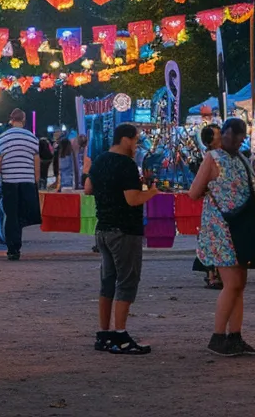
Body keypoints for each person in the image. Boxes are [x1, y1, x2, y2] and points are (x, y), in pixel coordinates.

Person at [187, 118, 255, 357]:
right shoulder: (219, 158)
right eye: (234, 137)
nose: (236, 142)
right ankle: (219, 336)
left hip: (235, 226)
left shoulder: (238, 158)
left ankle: (234, 336)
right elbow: (194, 193)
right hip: (223, 228)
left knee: (239, 284)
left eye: (239, 138)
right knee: (233, 283)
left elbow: (196, 192)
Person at [86, 123, 159, 355]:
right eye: (135, 140)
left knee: (108, 282)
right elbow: (132, 199)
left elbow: (88, 188)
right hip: (125, 230)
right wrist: (152, 193)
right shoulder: (126, 164)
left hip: (103, 229)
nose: (136, 145)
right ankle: (121, 335)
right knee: (126, 282)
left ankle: (104, 333)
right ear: (125, 139)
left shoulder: (99, 160)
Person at [0, 108, 41, 261]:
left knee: (11, 215)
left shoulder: (3, 138)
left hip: (9, 182)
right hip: (27, 181)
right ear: (24, 119)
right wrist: (36, 181)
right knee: (23, 214)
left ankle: (13, 248)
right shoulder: (32, 138)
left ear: (10, 120)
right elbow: (36, 162)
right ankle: (17, 240)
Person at [191, 124, 224, 289]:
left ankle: (216, 273)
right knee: (214, 239)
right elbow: (195, 189)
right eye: (218, 134)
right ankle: (213, 274)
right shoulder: (211, 157)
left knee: (215, 239)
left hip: (217, 206)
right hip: (214, 207)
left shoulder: (222, 156)